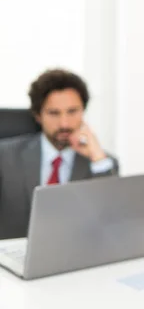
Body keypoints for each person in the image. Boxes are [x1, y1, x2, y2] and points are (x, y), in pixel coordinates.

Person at [0, 69, 119, 239]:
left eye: (72, 111)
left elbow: (111, 220)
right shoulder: (5, 156)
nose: (64, 123)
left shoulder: (102, 163)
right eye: (54, 113)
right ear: (38, 116)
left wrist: (97, 158)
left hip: (75, 255)